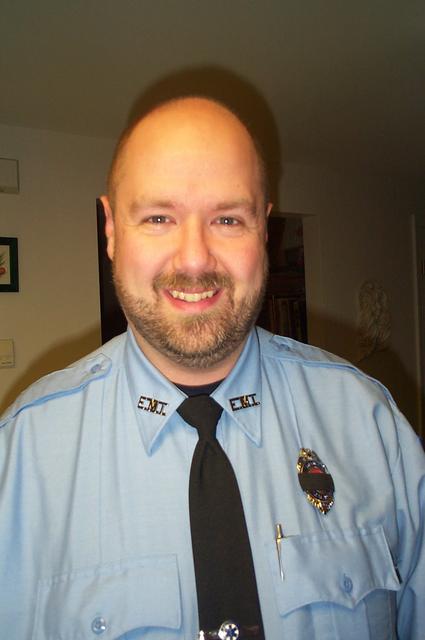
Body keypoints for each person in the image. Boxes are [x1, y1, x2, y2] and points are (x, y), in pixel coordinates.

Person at [0, 96, 424, 640]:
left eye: (227, 219)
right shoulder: (21, 459)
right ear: (111, 230)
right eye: (158, 218)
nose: (195, 259)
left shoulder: (370, 424)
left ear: (264, 229)